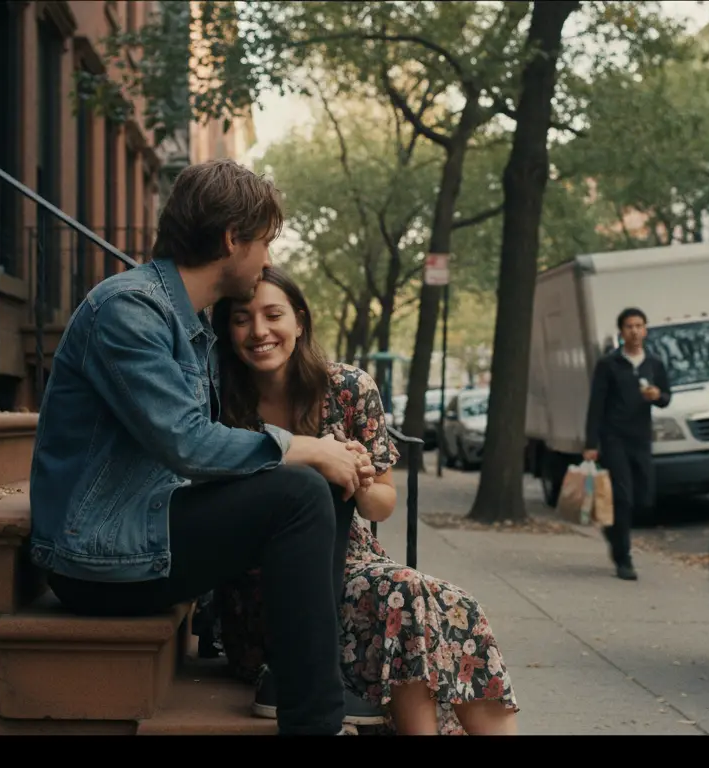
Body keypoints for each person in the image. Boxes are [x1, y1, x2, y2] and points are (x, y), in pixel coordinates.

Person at [27, 158, 383, 736]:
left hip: (147, 529)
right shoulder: (128, 310)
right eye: (264, 242)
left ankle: (297, 682)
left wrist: (330, 455)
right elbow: (186, 442)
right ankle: (315, 721)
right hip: (97, 558)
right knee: (299, 485)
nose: (268, 260)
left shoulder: (191, 323)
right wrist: (306, 448)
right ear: (231, 239)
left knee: (322, 481)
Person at [210, 266, 520, 736]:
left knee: (455, 604)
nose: (259, 331)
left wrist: (358, 476)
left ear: (299, 320)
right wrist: (308, 461)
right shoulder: (217, 398)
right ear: (226, 330)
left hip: (350, 562)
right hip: (262, 587)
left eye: (273, 315)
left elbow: (381, 506)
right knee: (406, 596)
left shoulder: (349, 389)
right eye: (241, 319)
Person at [583, 307, 671, 581]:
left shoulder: (654, 363)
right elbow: (596, 405)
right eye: (629, 326)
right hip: (614, 438)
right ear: (621, 332)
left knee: (644, 497)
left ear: (645, 330)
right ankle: (624, 558)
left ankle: (611, 529)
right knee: (623, 497)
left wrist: (657, 396)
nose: (634, 331)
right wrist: (591, 442)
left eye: (639, 326)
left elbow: (667, 397)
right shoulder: (609, 365)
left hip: (641, 438)